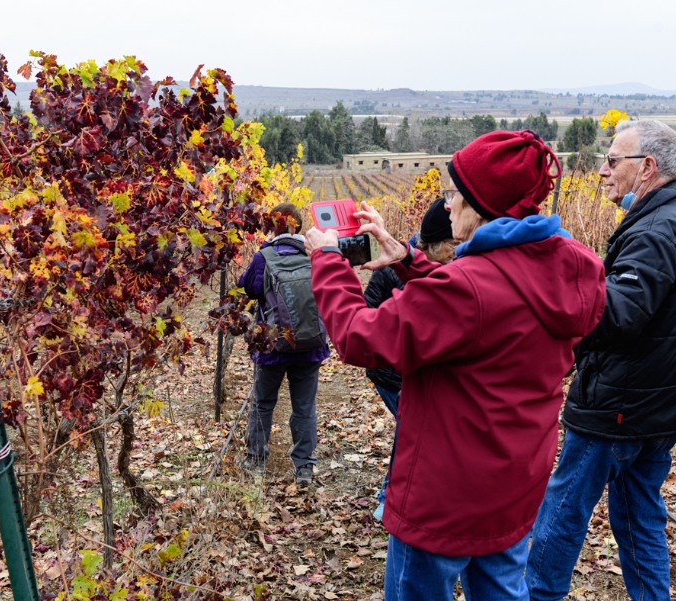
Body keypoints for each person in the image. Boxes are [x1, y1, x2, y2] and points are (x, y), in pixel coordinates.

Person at [304, 130, 606, 600]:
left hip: (445, 495)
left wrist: (327, 260)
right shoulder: (572, 265)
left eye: (454, 195)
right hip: (514, 481)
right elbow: (491, 308)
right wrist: (407, 259)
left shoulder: (468, 287)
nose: (446, 206)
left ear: (482, 203)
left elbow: (359, 337)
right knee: (505, 588)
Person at [526, 120, 676, 600]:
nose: (602, 170)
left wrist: (559, 282)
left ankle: (536, 595)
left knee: (562, 515)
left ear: (647, 167)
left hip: (621, 406)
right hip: (661, 406)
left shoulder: (654, 228)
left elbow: (617, 315)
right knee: (639, 517)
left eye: (613, 161)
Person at [364, 197, 458, 521]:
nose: (456, 254)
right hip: (392, 371)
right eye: (453, 246)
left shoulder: (443, 271)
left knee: (415, 429)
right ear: (439, 244)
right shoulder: (394, 269)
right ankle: (389, 496)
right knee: (411, 428)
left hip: (417, 370)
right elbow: (367, 318)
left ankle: (396, 494)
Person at [239, 202, 330, 486]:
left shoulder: (264, 256)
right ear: (298, 226)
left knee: (263, 402)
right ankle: (304, 467)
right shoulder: (316, 254)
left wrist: (262, 251)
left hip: (272, 347)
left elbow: (249, 288)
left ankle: (255, 459)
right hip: (310, 344)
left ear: (273, 227)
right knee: (304, 406)